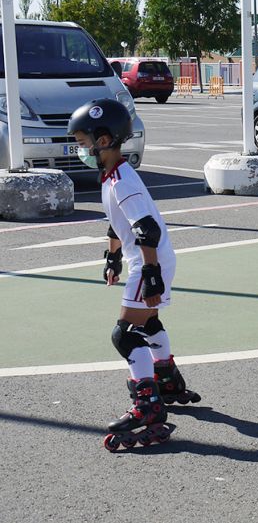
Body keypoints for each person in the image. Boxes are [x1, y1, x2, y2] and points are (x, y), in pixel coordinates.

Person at [67, 99, 199, 452]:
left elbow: (147, 230)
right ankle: (167, 381)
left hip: (148, 261)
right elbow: (118, 222)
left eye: (83, 142)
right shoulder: (112, 177)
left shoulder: (123, 181)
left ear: (105, 140)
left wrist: (151, 274)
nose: (80, 149)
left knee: (125, 336)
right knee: (149, 324)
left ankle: (148, 407)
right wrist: (112, 258)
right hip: (147, 260)